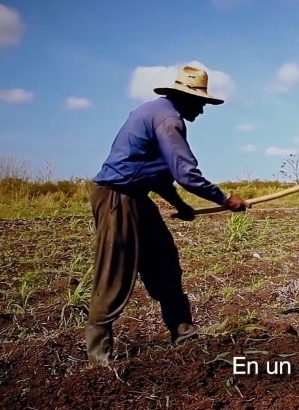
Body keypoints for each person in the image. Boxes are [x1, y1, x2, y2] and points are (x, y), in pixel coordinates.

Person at [85, 64, 250, 366]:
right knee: (114, 273)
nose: (202, 109)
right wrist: (225, 199)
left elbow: (159, 175)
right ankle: (98, 359)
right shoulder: (168, 120)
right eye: (200, 102)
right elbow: (186, 173)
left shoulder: (154, 112)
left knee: (164, 262)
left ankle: (184, 334)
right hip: (117, 197)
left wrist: (180, 206)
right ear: (184, 97)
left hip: (137, 196)